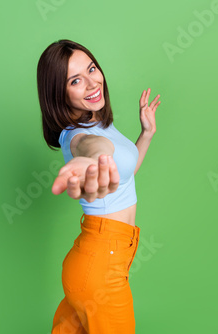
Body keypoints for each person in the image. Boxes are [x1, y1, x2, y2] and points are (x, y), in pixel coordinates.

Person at [36, 39, 161, 333]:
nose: (93, 83)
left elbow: (125, 173)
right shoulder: (76, 135)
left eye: (92, 69)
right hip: (101, 267)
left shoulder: (98, 121)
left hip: (99, 261)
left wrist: (147, 133)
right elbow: (92, 148)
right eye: (76, 80)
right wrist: (90, 160)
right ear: (59, 93)